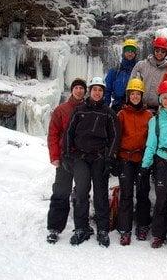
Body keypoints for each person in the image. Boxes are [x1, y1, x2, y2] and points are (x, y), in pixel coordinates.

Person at [64, 76, 120, 247]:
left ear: (104, 93)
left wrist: (110, 158)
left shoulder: (108, 113)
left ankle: (102, 229)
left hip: (99, 158)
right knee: (81, 192)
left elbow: (115, 137)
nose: (97, 92)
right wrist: (66, 154)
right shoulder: (79, 110)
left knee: (101, 193)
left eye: (100, 90)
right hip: (81, 157)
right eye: (94, 89)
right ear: (90, 91)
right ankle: (81, 227)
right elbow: (69, 133)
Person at [141, 80, 167, 248]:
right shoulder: (155, 120)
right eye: (165, 98)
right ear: (160, 100)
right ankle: (159, 234)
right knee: (162, 197)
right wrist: (145, 166)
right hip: (161, 161)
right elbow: (151, 144)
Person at [46, 78, 87, 244]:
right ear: (72, 90)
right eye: (76, 88)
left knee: (82, 193)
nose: (79, 91)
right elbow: (53, 134)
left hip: (82, 158)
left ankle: (81, 227)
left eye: (82, 88)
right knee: (61, 192)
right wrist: (54, 156)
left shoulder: (88, 109)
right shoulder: (61, 110)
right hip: (64, 157)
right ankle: (55, 228)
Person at [116, 78, 153, 245]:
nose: (135, 97)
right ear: (128, 95)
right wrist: (114, 159)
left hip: (143, 159)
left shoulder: (149, 115)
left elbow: (152, 138)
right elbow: (116, 138)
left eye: (138, 94)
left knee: (143, 193)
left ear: (142, 95)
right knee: (126, 194)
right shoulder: (122, 114)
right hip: (125, 158)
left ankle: (143, 225)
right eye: (133, 94)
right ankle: (125, 229)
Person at [130, 36, 167, 111]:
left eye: (163, 51)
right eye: (157, 50)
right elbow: (131, 85)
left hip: (160, 109)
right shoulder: (141, 65)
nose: (159, 53)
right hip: (140, 107)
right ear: (153, 50)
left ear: (166, 53)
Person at [105, 39, 139, 112]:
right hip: (117, 106)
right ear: (123, 52)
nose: (130, 54)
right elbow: (107, 90)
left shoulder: (139, 70)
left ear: (135, 54)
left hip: (135, 107)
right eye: (128, 51)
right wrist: (105, 108)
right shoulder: (115, 70)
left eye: (132, 51)